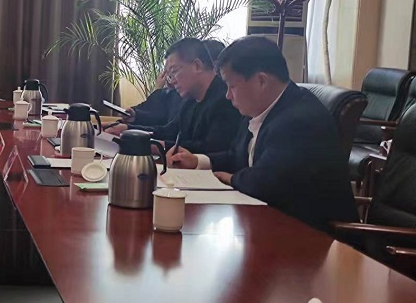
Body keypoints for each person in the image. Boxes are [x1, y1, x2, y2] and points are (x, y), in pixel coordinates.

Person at [169, 35, 357, 229]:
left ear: (261, 81)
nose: (227, 95)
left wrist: (231, 178)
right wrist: (197, 161)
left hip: (317, 237)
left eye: (232, 86)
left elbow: (265, 182)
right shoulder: (258, 110)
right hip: (272, 225)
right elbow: (236, 156)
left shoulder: (300, 119)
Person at [107, 38, 241, 154]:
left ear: (197, 66)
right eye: (169, 75)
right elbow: (169, 131)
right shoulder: (190, 100)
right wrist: (127, 130)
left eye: (174, 71)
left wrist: (153, 145)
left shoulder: (226, 98)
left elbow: (210, 149)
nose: (171, 81)